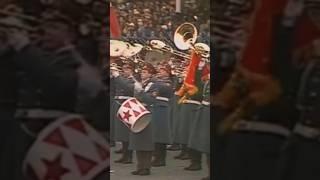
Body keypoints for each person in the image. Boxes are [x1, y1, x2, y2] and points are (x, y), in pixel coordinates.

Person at [129, 63, 157, 175]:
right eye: (142, 72)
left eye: (145, 72)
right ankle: (140, 166)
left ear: (150, 74)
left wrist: (140, 91)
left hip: (147, 113)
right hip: (138, 112)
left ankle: (146, 168)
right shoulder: (140, 84)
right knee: (138, 141)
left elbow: (151, 100)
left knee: (146, 142)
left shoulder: (154, 85)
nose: (142, 73)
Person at [188, 62, 210, 180]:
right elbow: (197, 84)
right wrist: (198, 68)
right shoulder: (207, 78)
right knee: (205, 144)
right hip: (205, 110)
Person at [111, 62, 135, 164]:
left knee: (127, 132)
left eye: (127, 69)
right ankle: (124, 155)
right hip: (119, 104)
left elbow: (128, 88)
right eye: (124, 69)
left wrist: (117, 76)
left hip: (128, 106)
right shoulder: (121, 79)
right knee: (121, 132)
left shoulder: (133, 80)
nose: (124, 71)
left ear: (132, 70)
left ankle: (129, 156)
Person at [151, 62, 173, 167]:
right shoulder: (157, 81)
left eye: (162, 70)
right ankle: (157, 157)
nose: (159, 71)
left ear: (168, 73)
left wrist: (154, 81)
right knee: (156, 133)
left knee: (161, 135)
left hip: (162, 109)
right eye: (159, 69)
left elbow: (164, 89)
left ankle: (161, 159)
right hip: (156, 107)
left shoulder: (168, 82)